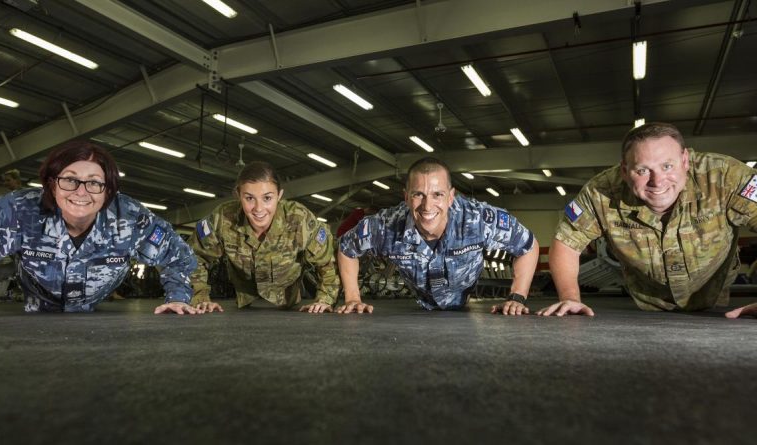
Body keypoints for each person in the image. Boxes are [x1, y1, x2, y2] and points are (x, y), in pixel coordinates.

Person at [538, 122, 757, 318]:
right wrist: (571, 298)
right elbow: (566, 242)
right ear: (624, 171)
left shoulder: (724, 176)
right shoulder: (601, 192)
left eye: (667, 166)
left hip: (714, 301)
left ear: (685, 160)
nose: (657, 181)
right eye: (642, 170)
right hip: (649, 307)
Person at [0, 141, 198, 318]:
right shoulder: (18, 210)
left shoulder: (131, 218)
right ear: (52, 184)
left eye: (94, 182)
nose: (81, 192)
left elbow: (179, 257)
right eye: (70, 179)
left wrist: (177, 297)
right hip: (31, 318)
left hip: (98, 321)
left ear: (108, 190)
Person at [338, 157, 540, 314]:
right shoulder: (386, 225)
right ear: (406, 197)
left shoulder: (478, 219)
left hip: (464, 296)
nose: (427, 206)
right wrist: (353, 297)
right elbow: (347, 248)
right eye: (418, 195)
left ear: (451, 196)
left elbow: (528, 246)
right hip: (421, 306)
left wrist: (517, 297)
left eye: (438, 195)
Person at [190, 161, 340, 313]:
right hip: (243, 301)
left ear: (279, 195)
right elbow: (194, 256)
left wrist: (324, 300)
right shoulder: (222, 218)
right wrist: (200, 297)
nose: (258, 209)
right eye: (249, 198)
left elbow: (327, 261)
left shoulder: (299, 219)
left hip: (288, 301)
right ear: (238, 194)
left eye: (267, 198)